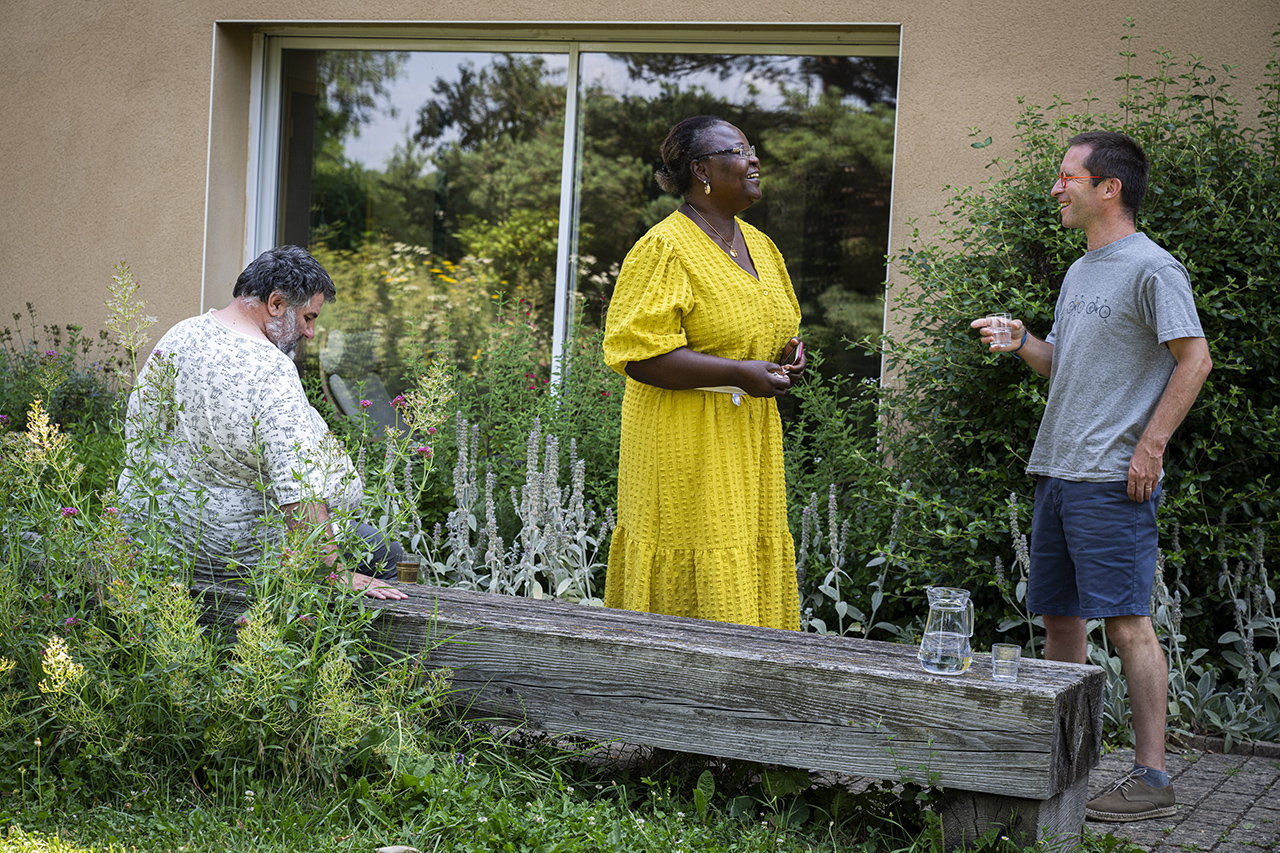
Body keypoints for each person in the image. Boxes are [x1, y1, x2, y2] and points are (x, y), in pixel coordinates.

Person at [971, 131, 1212, 821]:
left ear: (1108, 186)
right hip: (1057, 468)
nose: (1057, 187)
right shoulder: (1081, 270)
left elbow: (1194, 361)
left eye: (1066, 176)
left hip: (1112, 476)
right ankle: (1061, 762)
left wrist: (1151, 446)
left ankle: (1154, 776)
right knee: (1060, 620)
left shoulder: (1153, 268)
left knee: (1128, 622)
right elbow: (1063, 365)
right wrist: (1023, 342)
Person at [601, 115, 805, 630]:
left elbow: (765, 326)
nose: (754, 159)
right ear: (701, 170)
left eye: (751, 148)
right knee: (699, 547)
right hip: (684, 440)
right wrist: (740, 373)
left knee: (743, 548)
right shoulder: (665, 248)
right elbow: (637, 354)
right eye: (738, 151)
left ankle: (751, 689)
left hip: (747, 436)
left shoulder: (761, 245)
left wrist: (786, 356)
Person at [118, 245, 407, 600]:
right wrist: (333, 574)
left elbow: (139, 430)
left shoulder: (182, 334)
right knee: (382, 551)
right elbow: (297, 491)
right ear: (275, 304)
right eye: (308, 318)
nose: (311, 333)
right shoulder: (270, 370)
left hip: (165, 531)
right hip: (232, 548)